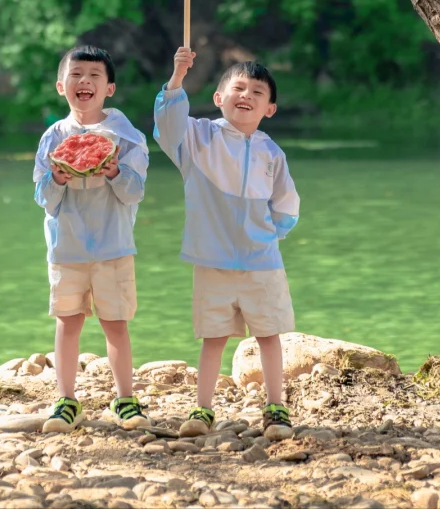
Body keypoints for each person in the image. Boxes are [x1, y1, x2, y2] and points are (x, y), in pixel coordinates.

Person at [154, 47, 299, 442]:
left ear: (269, 109)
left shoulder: (272, 153)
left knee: (269, 335)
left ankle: (275, 407)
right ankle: (203, 408)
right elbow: (167, 126)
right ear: (219, 98)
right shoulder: (199, 138)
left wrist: (269, 235)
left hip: (262, 262)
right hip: (212, 260)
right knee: (213, 336)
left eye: (257, 92)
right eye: (238, 87)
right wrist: (177, 79)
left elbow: (287, 205)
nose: (246, 95)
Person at [33, 46, 151, 433]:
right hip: (66, 246)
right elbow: (43, 198)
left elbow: (134, 192)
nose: (85, 81)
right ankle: (66, 400)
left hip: (113, 245)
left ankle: (125, 399)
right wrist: (58, 178)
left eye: (94, 76)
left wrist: (115, 170)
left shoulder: (127, 136)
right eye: (76, 74)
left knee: (115, 323)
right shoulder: (52, 138)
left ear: (110, 88)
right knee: (67, 322)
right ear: (60, 85)